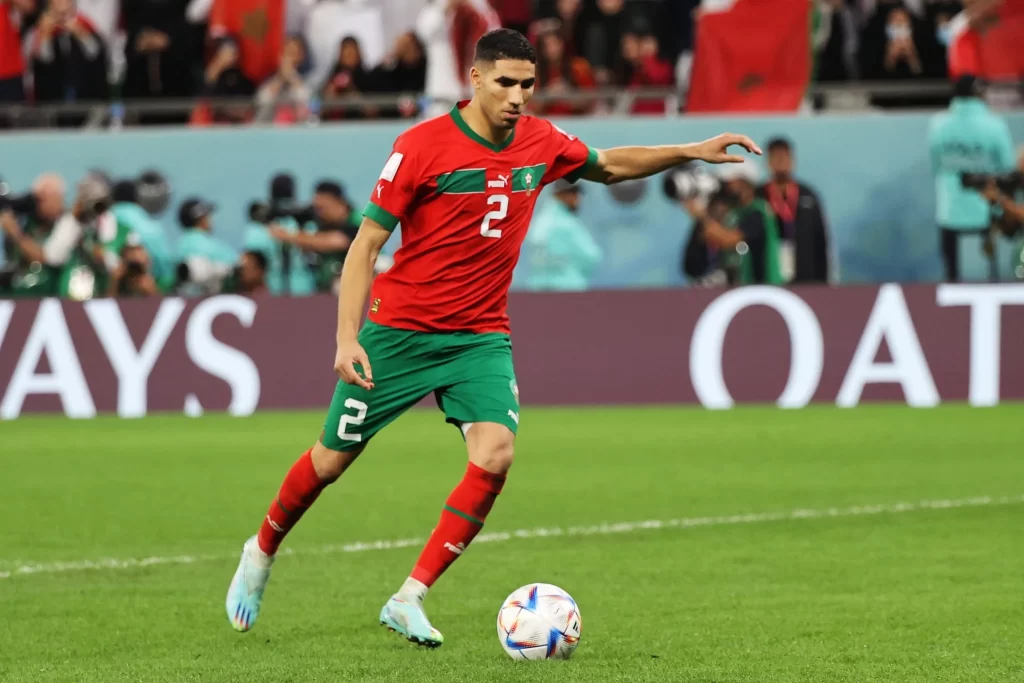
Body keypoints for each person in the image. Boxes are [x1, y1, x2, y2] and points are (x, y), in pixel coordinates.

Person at [225, 28, 760, 646]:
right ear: (475, 79)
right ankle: (261, 551)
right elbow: (365, 245)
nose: (517, 97)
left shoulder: (540, 140)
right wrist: (347, 338)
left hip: (479, 336)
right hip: (399, 332)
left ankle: (409, 596)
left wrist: (692, 149)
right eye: (505, 82)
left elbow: (609, 165)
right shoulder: (421, 147)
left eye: (527, 85)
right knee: (329, 462)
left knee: (496, 454)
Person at [929, 75, 1015, 281]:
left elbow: (936, 165)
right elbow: (1008, 167)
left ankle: (951, 297)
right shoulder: (994, 125)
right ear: (980, 94)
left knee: (951, 273)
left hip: (949, 209)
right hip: (987, 209)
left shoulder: (938, 124)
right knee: (990, 270)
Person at [757, 137, 831, 284]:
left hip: (806, 276)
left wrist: (823, 281)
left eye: (784, 157)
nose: (780, 161)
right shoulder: (758, 196)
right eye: (776, 157)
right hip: (767, 275)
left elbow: (821, 239)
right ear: (768, 162)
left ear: (792, 160)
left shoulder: (808, 196)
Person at [522, 178, 602, 291]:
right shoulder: (567, 224)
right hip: (568, 292)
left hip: (537, 293)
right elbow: (592, 256)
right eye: (573, 193)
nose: (577, 198)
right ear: (560, 194)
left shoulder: (538, 222)